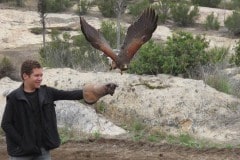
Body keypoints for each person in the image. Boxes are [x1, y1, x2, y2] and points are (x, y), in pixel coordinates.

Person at [1, 59, 118, 160]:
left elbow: (69, 94)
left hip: (42, 150)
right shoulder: (14, 97)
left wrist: (100, 90)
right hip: (21, 153)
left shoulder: (47, 92)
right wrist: (22, 142)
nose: (40, 78)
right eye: (36, 75)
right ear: (25, 76)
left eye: (41, 75)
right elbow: (6, 124)